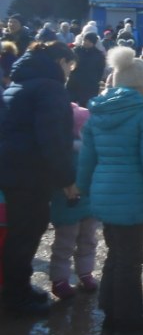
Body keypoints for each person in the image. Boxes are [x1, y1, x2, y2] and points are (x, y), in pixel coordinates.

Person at [78, 46, 143, 334]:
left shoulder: (98, 111)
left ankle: (110, 311)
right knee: (130, 259)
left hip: (103, 192)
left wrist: (81, 187)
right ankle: (129, 319)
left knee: (115, 253)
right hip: (131, 194)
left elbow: (87, 157)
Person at [0, 41, 77, 316]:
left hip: (13, 168)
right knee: (27, 231)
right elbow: (53, 138)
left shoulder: (21, 81)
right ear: (60, 61)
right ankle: (16, 297)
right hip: (29, 172)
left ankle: (18, 286)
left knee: (22, 231)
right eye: (70, 65)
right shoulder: (49, 87)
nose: (70, 72)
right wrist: (67, 179)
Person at [48, 102, 100, 300]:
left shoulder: (90, 150)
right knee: (65, 243)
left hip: (86, 205)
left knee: (87, 240)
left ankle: (85, 273)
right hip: (68, 206)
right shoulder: (64, 154)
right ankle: (60, 278)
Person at [66, 32, 106, 107]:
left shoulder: (98, 55)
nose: (86, 43)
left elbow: (100, 70)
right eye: (85, 40)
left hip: (89, 86)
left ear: (93, 43)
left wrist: (95, 81)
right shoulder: (76, 51)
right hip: (73, 84)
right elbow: (69, 65)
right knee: (69, 105)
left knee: (86, 107)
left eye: (89, 41)